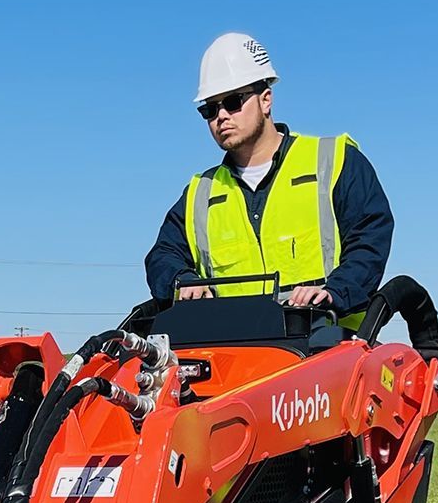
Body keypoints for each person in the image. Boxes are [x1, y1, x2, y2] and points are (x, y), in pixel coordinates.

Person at [144, 33, 394, 330]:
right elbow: (163, 256)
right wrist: (181, 281)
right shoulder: (201, 194)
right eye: (210, 109)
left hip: (327, 350)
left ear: (266, 99)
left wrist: (334, 292)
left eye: (233, 102)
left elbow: (369, 238)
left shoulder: (334, 161)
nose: (221, 116)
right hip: (236, 358)